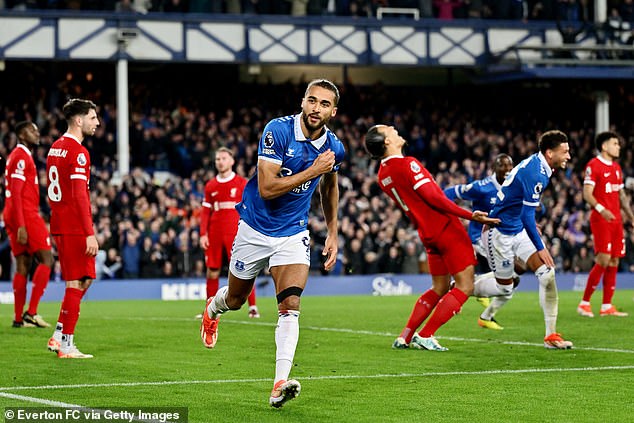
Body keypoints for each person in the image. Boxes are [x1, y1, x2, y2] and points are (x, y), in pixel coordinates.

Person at [199, 79, 345, 408]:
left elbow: (330, 187)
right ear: (303, 102)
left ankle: (279, 384)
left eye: (324, 104)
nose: (315, 108)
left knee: (290, 307)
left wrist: (333, 231)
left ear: (332, 112)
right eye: (311, 101)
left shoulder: (334, 148)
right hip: (254, 228)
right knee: (235, 299)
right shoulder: (277, 131)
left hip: (293, 233)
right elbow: (267, 187)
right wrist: (313, 170)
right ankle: (212, 309)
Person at [363, 124, 500, 353]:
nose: (395, 128)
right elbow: (433, 197)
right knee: (465, 286)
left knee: (439, 287)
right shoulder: (408, 164)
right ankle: (426, 335)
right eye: (389, 129)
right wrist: (469, 215)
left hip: (427, 234)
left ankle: (405, 336)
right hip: (445, 228)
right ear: (386, 141)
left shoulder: (382, 175)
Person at [477, 130, 573, 349]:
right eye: (564, 151)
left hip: (517, 229)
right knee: (504, 289)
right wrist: (541, 247)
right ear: (550, 153)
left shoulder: (541, 167)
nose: (568, 156)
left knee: (547, 273)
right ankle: (461, 286)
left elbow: (522, 209)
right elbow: (527, 214)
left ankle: (551, 336)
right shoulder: (536, 172)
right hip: (498, 232)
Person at [444, 154, 525, 330]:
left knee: (517, 276)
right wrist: (447, 215)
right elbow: (449, 194)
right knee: (512, 276)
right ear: (493, 168)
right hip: (481, 237)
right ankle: (463, 288)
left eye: (510, 166)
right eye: (503, 166)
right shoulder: (483, 188)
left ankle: (485, 313)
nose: (508, 170)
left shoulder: (515, 186)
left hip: (505, 237)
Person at [46, 99, 100, 359]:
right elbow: (80, 195)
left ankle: (59, 334)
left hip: (60, 222)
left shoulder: (55, 148)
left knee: (84, 279)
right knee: (76, 281)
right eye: (92, 117)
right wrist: (89, 232)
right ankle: (66, 344)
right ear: (79, 120)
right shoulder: (78, 152)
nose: (97, 122)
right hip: (74, 226)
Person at [577, 131, 634, 318]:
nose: (618, 146)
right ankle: (584, 303)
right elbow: (587, 193)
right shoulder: (593, 165)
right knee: (603, 258)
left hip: (616, 220)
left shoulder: (617, 168)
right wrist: (602, 209)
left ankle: (606, 306)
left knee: (615, 259)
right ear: (604, 146)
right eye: (615, 143)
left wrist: (630, 216)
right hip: (601, 219)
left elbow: (622, 196)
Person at [197, 147, 259, 319]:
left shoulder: (242, 183)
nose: (220, 161)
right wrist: (203, 234)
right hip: (215, 231)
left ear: (232, 161)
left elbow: (250, 207)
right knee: (212, 270)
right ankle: (209, 308)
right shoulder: (211, 185)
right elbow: (205, 212)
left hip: (236, 230)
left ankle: (252, 307)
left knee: (244, 268)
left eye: (223, 158)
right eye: (217, 159)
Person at [5, 121, 54, 328]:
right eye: (31, 130)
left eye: (36, 129)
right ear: (21, 135)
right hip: (24, 213)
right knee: (47, 259)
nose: (37, 133)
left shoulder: (20, 156)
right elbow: (16, 192)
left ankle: (18, 318)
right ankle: (31, 313)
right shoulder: (21, 156)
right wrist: (22, 225)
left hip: (15, 213)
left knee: (23, 264)